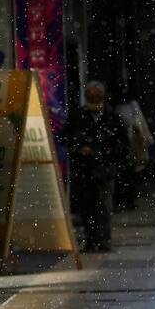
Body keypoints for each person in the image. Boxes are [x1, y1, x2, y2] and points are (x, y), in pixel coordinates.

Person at [62, 81, 128, 252]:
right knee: (87, 206)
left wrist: (104, 151)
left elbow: (122, 143)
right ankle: (91, 239)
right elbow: (65, 137)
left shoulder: (112, 117)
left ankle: (103, 239)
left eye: (97, 97)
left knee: (104, 205)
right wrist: (79, 147)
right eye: (91, 97)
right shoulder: (78, 116)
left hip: (104, 168)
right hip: (84, 168)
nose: (94, 101)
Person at [113, 84, 153, 211]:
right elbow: (140, 125)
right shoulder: (129, 107)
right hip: (127, 144)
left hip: (129, 144)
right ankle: (126, 201)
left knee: (126, 174)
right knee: (127, 174)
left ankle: (125, 201)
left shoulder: (120, 108)